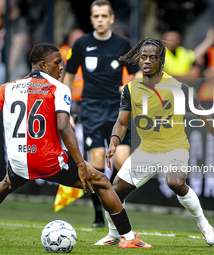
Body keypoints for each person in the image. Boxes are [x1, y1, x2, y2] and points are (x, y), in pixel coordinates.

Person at [0, 43, 152, 249]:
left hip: (19, 160)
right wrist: (81, 165)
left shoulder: (9, 87)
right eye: (57, 63)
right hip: (48, 160)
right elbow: (64, 128)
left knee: (6, 184)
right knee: (101, 181)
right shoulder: (58, 88)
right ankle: (128, 238)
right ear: (42, 64)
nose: (61, 68)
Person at [94, 38, 214, 246]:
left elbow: (202, 114)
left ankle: (205, 225)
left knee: (176, 182)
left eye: (152, 58)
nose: (147, 61)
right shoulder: (130, 89)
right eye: (143, 57)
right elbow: (121, 122)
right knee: (113, 191)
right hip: (147, 150)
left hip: (175, 147)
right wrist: (114, 142)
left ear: (160, 60)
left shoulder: (177, 87)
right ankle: (114, 234)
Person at [63, 0, 140, 228]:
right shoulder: (81, 44)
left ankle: (113, 198)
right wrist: (65, 110)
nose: (100, 20)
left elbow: (137, 75)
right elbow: (67, 77)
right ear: (91, 19)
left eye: (104, 16)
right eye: (96, 16)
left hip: (117, 110)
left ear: (112, 18)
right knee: (96, 163)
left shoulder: (123, 43)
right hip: (91, 109)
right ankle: (99, 215)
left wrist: (128, 88)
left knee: (122, 161)